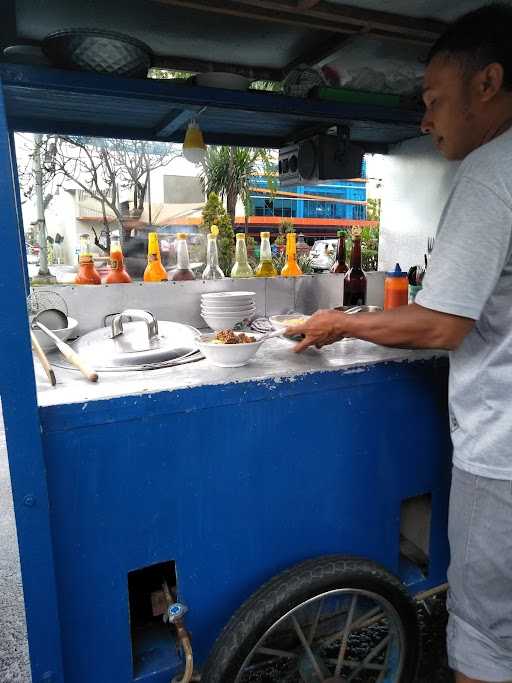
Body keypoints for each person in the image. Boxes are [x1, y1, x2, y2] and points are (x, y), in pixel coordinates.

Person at [287, 5, 512, 683]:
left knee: (485, 639)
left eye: (434, 101)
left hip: (503, 455)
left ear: (488, 83)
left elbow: (440, 323)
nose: (423, 120)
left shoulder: (489, 172)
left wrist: (338, 323)